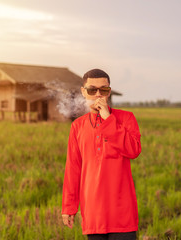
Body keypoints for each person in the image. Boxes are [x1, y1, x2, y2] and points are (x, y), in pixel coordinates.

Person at [61, 69, 142, 240]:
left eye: (103, 90)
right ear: (83, 92)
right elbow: (73, 169)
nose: (98, 95)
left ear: (109, 92)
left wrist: (107, 118)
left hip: (122, 213)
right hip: (93, 214)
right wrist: (69, 207)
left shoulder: (126, 119)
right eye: (92, 90)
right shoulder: (77, 126)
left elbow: (133, 150)